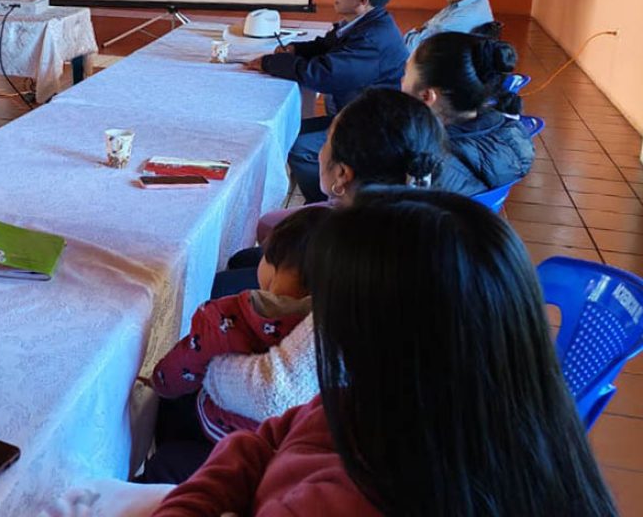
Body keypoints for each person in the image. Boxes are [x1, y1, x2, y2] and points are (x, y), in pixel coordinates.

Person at [152, 189, 618, 517]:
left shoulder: (352, 496)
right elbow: (267, 438)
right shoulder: (484, 420)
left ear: (378, 339)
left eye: (327, 309)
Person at [139, 208, 328, 485]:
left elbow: (181, 366)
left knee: (167, 445)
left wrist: (159, 381)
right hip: (291, 443)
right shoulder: (334, 321)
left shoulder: (233, 315)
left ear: (275, 268)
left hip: (235, 442)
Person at [214, 87, 446, 298]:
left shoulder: (339, 251)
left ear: (343, 174)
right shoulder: (425, 225)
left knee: (215, 286)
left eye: (326, 140)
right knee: (242, 259)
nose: (320, 151)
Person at [245, 0, 408, 202]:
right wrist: (296, 50)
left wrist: (271, 63)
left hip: (377, 129)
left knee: (299, 146)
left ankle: (326, 204)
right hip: (362, 115)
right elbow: (327, 46)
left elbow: (324, 74)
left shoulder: (373, 38)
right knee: (288, 131)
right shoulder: (367, 23)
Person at [402, 31, 535, 195]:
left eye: (405, 73)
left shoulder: (423, 165)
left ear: (426, 96)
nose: (401, 80)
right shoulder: (511, 137)